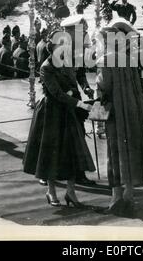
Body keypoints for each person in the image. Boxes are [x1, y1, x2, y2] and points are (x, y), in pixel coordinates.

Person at [23, 32, 95, 207]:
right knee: (51, 154)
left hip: (69, 110)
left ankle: (71, 192)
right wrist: (79, 103)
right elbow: (56, 94)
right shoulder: (46, 67)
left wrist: (82, 89)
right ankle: (51, 191)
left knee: (72, 152)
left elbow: (76, 78)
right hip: (51, 113)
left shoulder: (69, 60)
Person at [95, 21, 143, 217]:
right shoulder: (129, 58)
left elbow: (104, 86)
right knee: (130, 151)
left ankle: (115, 198)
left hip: (116, 113)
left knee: (115, 152)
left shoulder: (105, 59)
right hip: (133, 110)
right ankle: (129, 195)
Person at [60, 14, 96, 186]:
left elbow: (80, 73)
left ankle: (79, 173)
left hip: (75, 99)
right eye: (81, 32)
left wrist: (86, 87)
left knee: (79, 134)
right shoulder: (60, 52)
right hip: (61, 102)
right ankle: (51, 173)